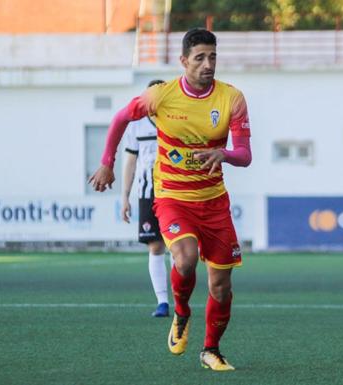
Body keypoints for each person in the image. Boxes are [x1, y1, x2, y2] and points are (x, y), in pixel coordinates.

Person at [89, 28, 252, 371]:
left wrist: (223, 154)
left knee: (221, 286)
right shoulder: (161, 96)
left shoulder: (232, 98)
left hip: (214, 201)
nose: (208, 64)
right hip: (173, 196)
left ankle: (211, 349)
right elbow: (120, 118)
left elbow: (245, 154)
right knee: (185, 258)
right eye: (200, 58)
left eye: (213, 57)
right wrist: (107, 163)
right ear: (183, 61)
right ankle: (180, 312)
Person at [121, 79, 171, 318]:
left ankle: (182, 300)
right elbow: (130, 161)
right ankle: (162, 302)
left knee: (181, 246)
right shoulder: (137, 125)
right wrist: (124, 196)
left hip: (175, 191)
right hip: (146, 193)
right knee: (155, 245)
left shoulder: (176, 122)